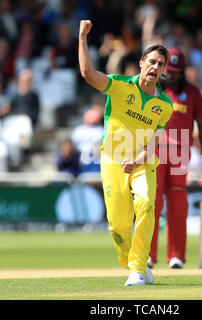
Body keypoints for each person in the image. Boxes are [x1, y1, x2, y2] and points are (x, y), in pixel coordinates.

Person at [78, 20, 174, 286]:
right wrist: (83, 38)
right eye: (152, 61)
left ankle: (139, 268)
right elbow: (87, 73)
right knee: (118, 226)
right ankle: (134, 263)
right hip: (112, 161)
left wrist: (137, 160)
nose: (156, 67)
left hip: (143, 162)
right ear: (142, 62)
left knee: (146, 204)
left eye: (161, 65)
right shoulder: (119, 86)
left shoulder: (164, 105)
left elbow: (154, 144)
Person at [147, 48, 202, 269]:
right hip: (154, 153)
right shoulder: (152, 89)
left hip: (179, 155)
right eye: (169, 70)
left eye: (176, 71)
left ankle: (176, 256)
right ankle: (147, 255)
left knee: (178, 205)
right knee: (152, 204)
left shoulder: (193, 93)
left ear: (183, 70)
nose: (172, 75)